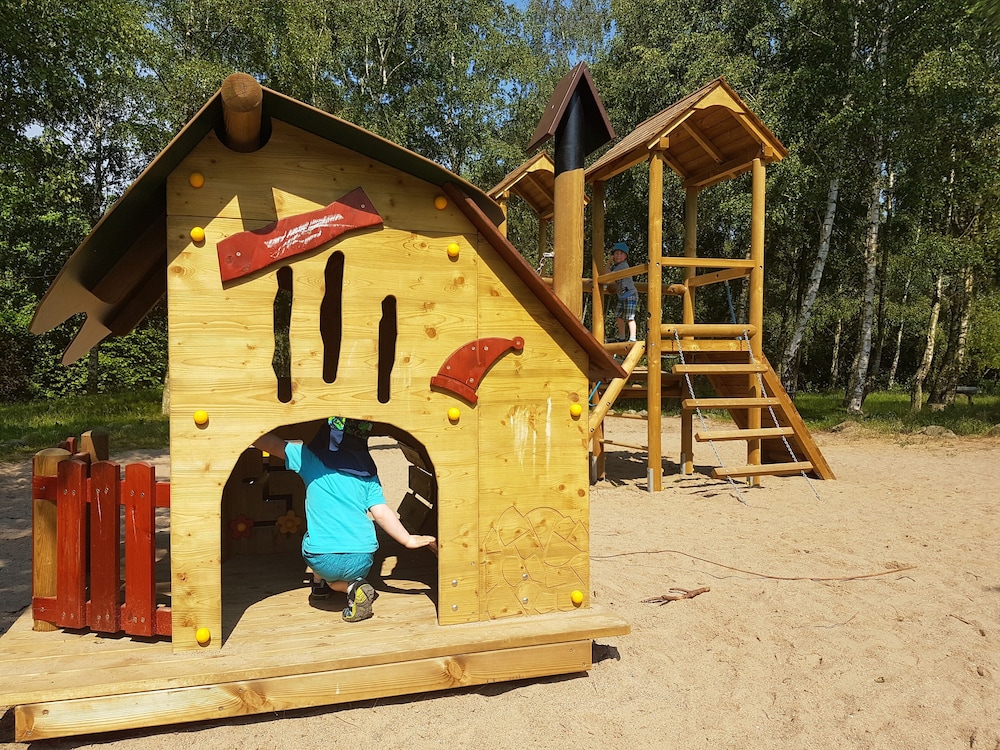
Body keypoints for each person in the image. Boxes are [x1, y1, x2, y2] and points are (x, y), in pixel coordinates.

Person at [253, 417, 436, 623]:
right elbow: (381, 513)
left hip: (323, 557)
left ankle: (330, 584)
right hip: (362, 557)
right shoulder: (368, 476)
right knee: (340, 563)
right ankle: (354, 583)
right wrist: (407, 539)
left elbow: (272, 444)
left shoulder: (309, 459)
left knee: (314, 543)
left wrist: (248, 432)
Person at [608, 241, 638, 342]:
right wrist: (609, 262)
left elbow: (608, 275)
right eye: (616, 253)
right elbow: (604, 274)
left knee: (630, 317)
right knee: (618, 316)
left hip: (630, 294)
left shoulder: (623, 265)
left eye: (621, 254)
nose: (618, 256)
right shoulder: (614, 267)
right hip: (622, 296)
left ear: (625, 257)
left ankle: (633, 338)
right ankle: (622, 338)